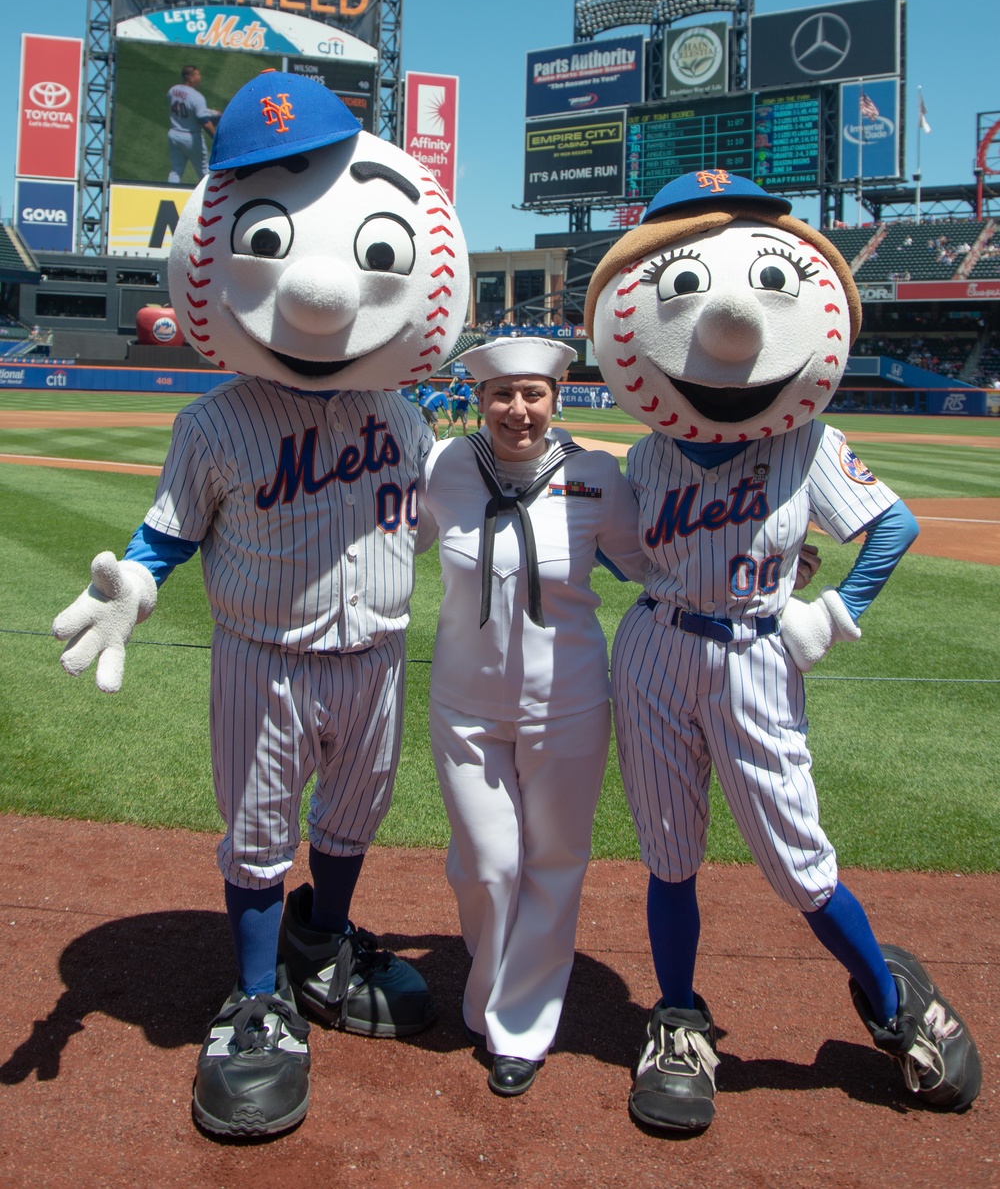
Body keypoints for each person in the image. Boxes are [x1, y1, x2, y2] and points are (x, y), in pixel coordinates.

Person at [52, 71, 471, 1139]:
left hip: (376, 653)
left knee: (354, 815)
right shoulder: (213, 425)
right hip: (261, 652)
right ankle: (252, 1000)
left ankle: (320, 942)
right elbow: (167, 532)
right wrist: (136, 587)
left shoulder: (407, 417)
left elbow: (441, 524)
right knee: (255, 829)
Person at [586, 169, 981, 1132]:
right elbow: (627, 559)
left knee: (799, 860)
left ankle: (893, 1004)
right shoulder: (646, 454)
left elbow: (892, 526)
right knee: (668, 852)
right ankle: (677, 1016)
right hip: (654, 648)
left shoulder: (809, 439)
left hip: (762, 650)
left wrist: (834, 611)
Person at [418, 337, 651, 1098]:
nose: (519, 411)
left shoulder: (595, 475)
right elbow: (381, 540)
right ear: (478, 400)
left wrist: (767, 561)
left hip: (570, 701)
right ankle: (490, 993)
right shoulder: (444, 468)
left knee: (552, 865)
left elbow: (654, 562)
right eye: (501, 396)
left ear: (558, 395)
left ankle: (519, 1025)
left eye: (534, 394)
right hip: (464, 704)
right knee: (488, 865)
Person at [166, 65, 220, 184]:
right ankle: (206, 199)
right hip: (191, 138)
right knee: (204, 171)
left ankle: (169, 195)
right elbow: (204, 121)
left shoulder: (172, 90)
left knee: (176, 171)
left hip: (174, 134)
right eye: (197, 75)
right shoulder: (197, 97)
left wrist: (210, 112)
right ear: (190, 77)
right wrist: (216, 137)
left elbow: (189, 108)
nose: (199, 77)